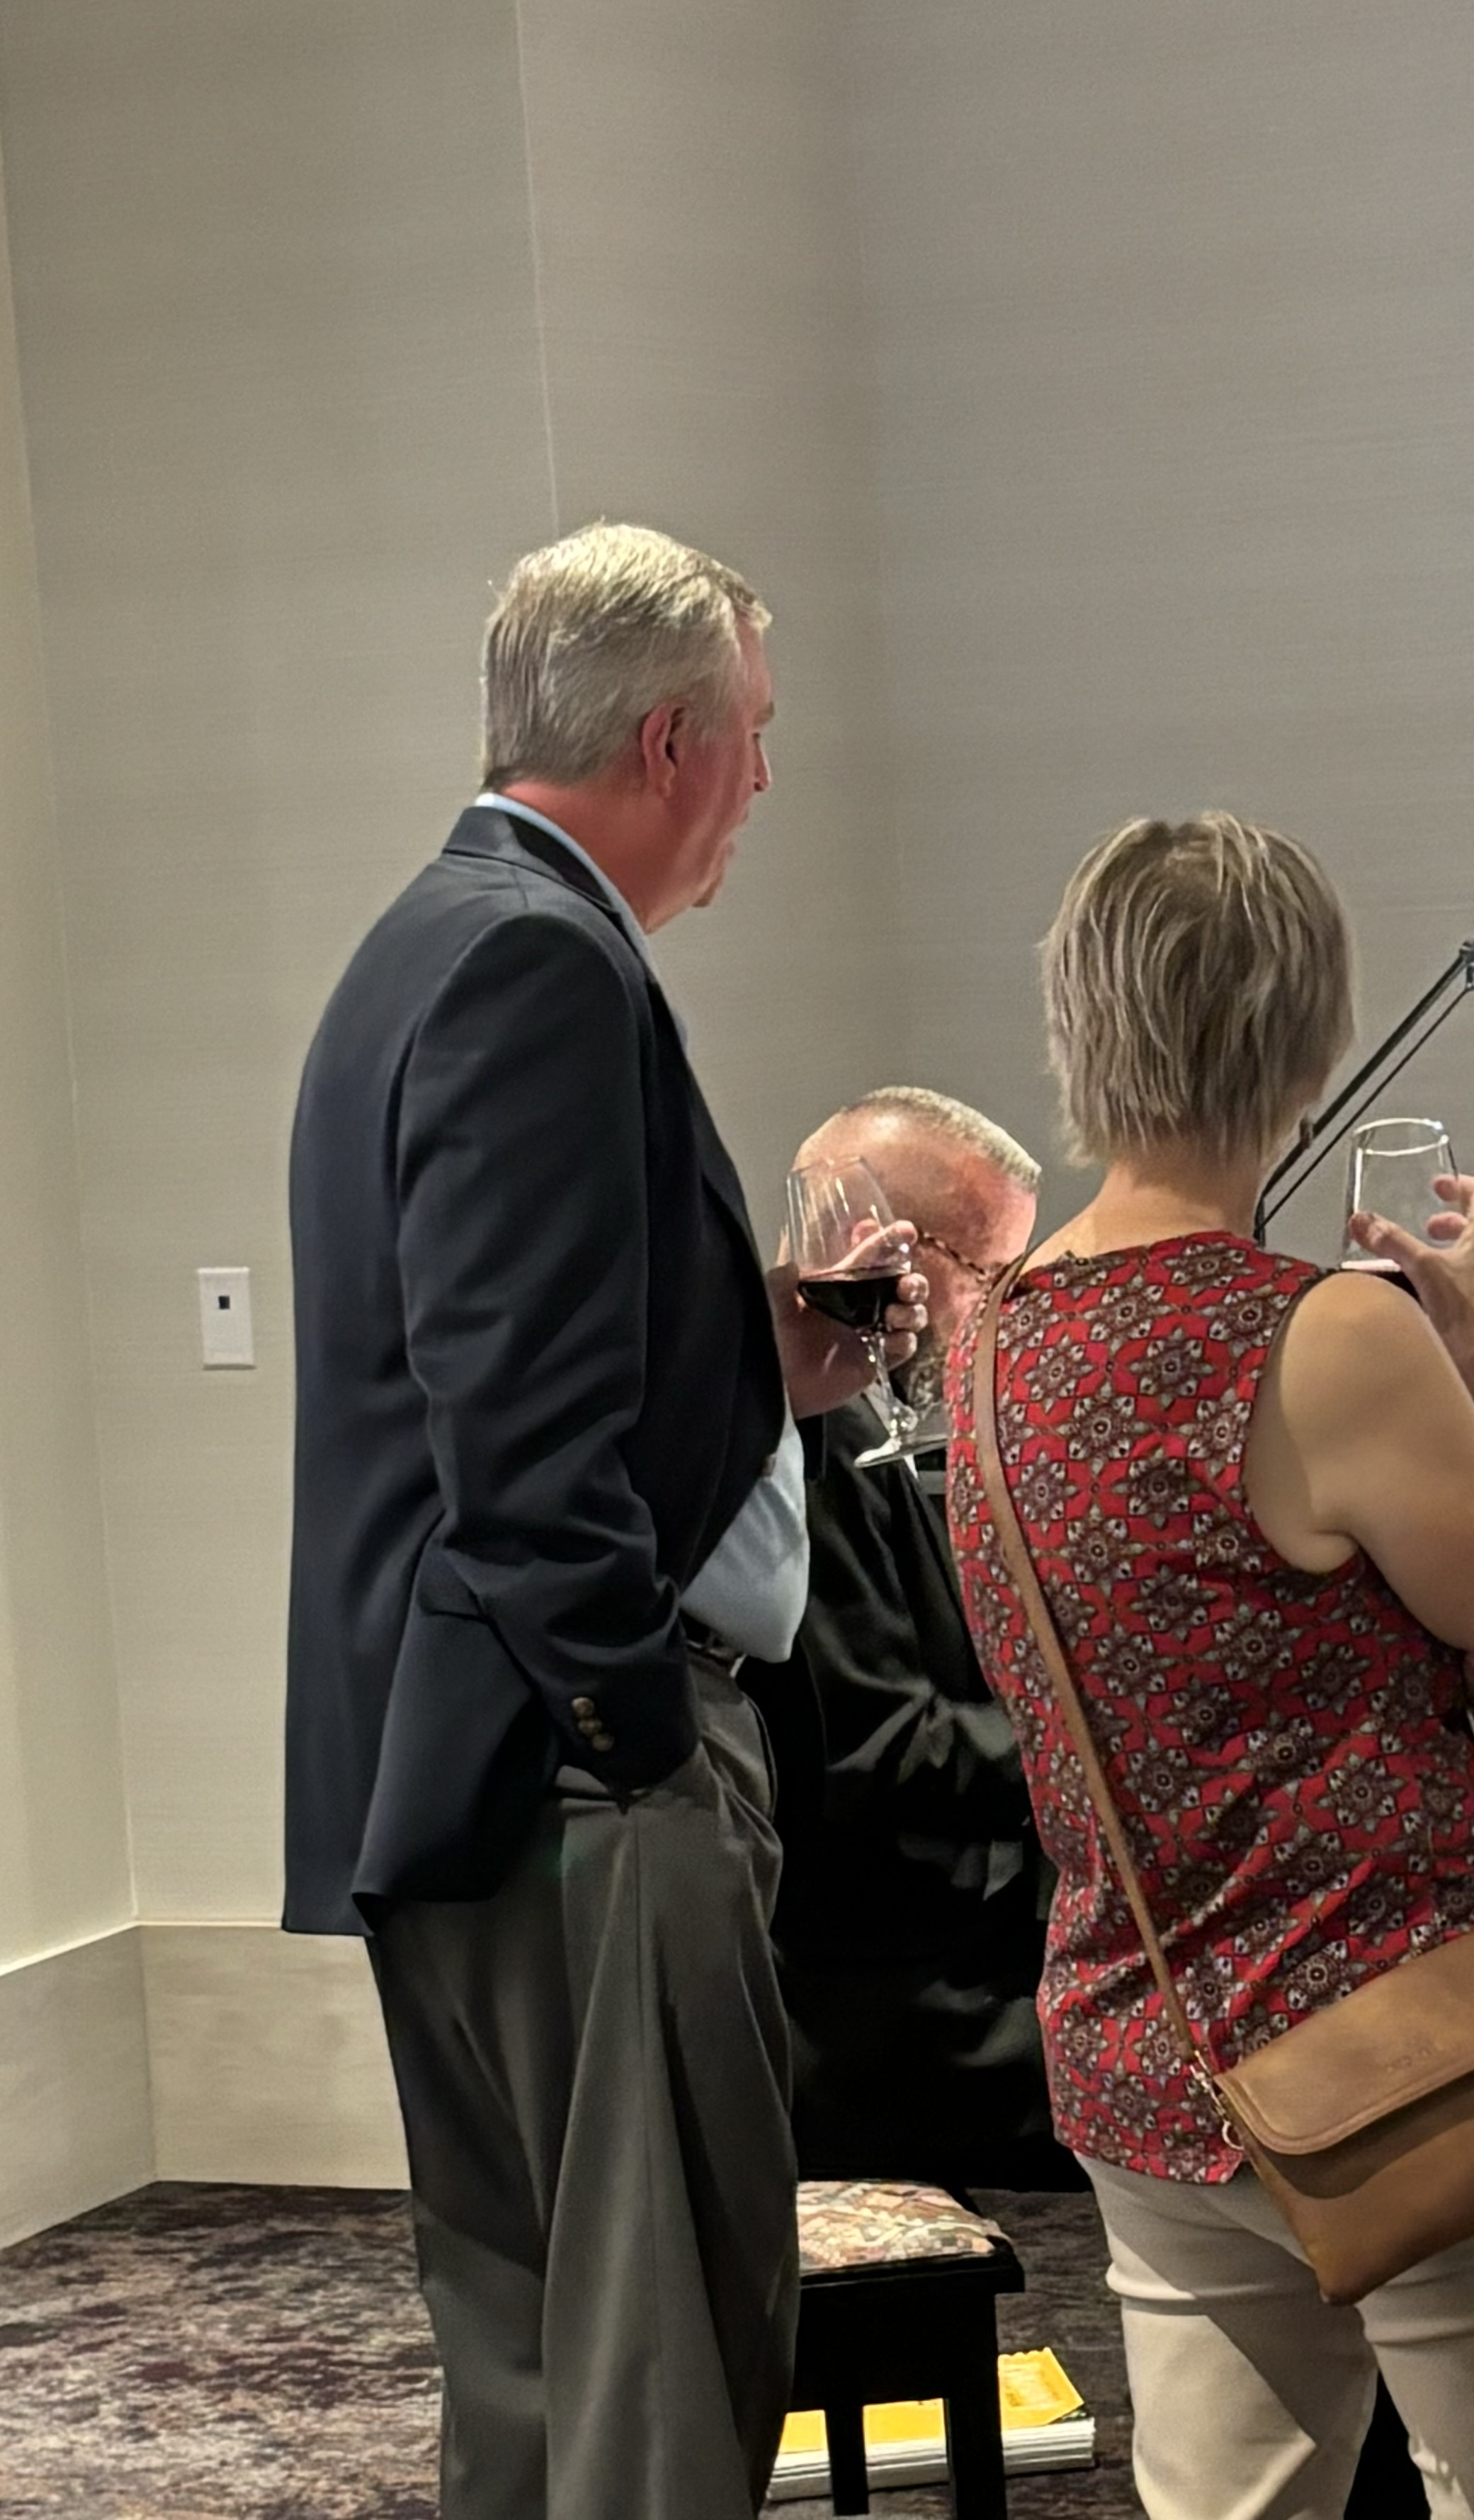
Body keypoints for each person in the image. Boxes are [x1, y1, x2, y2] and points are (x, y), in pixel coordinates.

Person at [282, 524, 922, 2520]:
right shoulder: (538, 958)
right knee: (658, 2379)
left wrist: (766, 1355)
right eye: (752, 733)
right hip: (574, 1790)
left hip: (465, 1769)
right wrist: (641, 1741)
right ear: (666, 740)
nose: (760, 780)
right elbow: (516, 1432)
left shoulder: (434, 933)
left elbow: (511, 1348)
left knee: (546, 2368)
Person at [943, 813, 1474, 2519]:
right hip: (1405, 2051)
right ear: (1310, 1034)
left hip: (1146, 2056)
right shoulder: (1324, 1333)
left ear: (1076, 1022)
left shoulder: (989, 1355)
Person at [749, 1087, 1075, 2187]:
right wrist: (1102, 1744)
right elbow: (880, 1752)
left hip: (917, 1963)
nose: (997, 1314)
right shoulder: (815, 1434)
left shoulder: (845, 1418)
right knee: (1202, 2065)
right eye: (995, 1276)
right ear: (893, 1250)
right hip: (883, 2027)